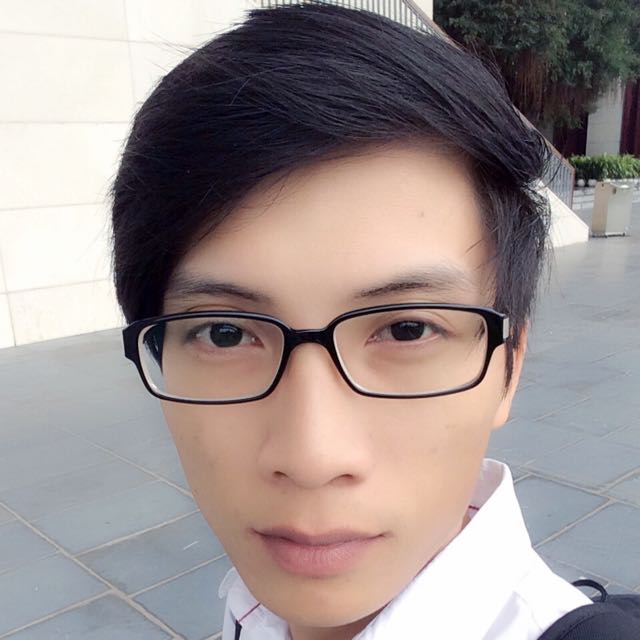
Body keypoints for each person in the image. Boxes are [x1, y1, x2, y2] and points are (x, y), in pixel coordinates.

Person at [112, 4, 595, 639]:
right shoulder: (249, 612)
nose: (312, 457)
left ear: (510, 365)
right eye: (225, 333)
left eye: (406, 329)